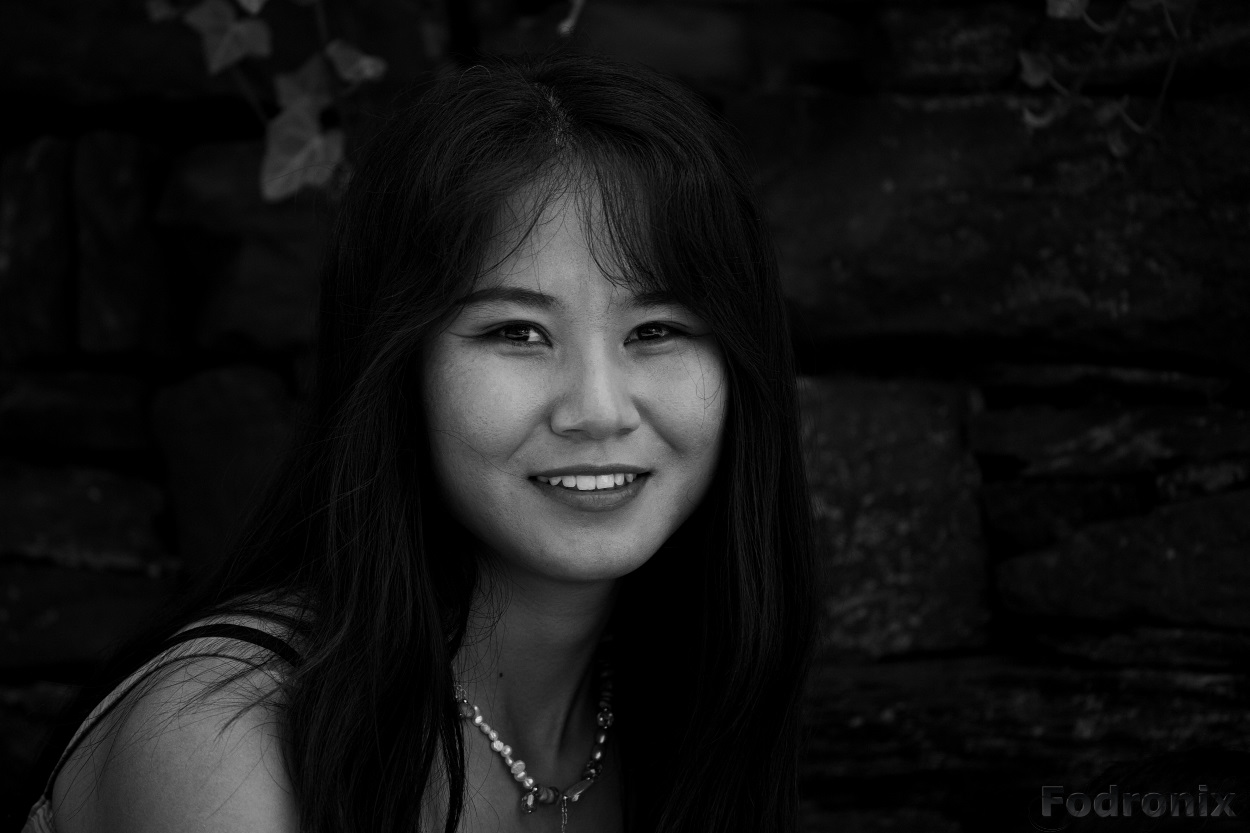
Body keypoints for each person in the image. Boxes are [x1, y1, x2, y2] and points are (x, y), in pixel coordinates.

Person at [24, 51, 816, 833]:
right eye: (517, 331)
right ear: (400, 365)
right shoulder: (224, 732)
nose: (598, 410)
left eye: (656, 330)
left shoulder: (688, 709)